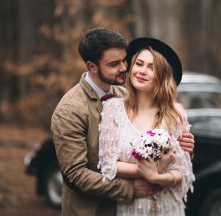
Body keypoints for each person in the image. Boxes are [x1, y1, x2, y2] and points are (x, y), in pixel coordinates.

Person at [51, 28, 195, 216]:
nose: (124, 68)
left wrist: (184, 147)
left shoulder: (125, 95)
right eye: (114, 64)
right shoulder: (70, 110)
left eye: (124, 60)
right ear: (92, 67)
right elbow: (75, 175)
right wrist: (132, 188)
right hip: (93, 211)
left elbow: (175, 161)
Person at [98, 37, 195, 216]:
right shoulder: (112, 109)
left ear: (162, 76)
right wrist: (147, 171)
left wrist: (157, 178)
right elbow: (108, 165)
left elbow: (182, 171)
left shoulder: (175, 113)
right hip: (132, 208)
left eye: (151, 67)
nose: (142, 71)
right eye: (139, 64)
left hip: (168, 208)